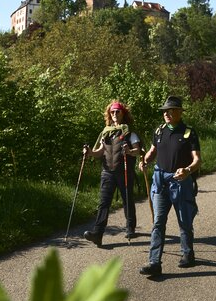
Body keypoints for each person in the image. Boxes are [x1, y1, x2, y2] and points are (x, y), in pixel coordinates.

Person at [139, 95, 201, 277]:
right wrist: (145, 161)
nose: (166, 113)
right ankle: (154, 262)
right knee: (158, 221)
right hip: (160, 180)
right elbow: (152, 152)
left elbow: (197, 160)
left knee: (184, 220)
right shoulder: (159, 131)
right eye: (165, 110)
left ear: (180, 112)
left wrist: (188, 170)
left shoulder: (189, 132)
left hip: (180, 181)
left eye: (171, 110)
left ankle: (188, 254)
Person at [83, 100, 141, 247]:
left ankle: (130, 228)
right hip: (107, 172)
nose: (114, 114)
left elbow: (138, 151)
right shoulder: (105, 133)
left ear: (123, 114)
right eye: (112, 112)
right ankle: (97, 233)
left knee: (127, 199)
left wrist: (129, 151)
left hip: (124, 171)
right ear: (109, 114)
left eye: (117, 111)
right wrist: (89, 152)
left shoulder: (129, 132)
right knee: (103, 203)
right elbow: (99, 152)